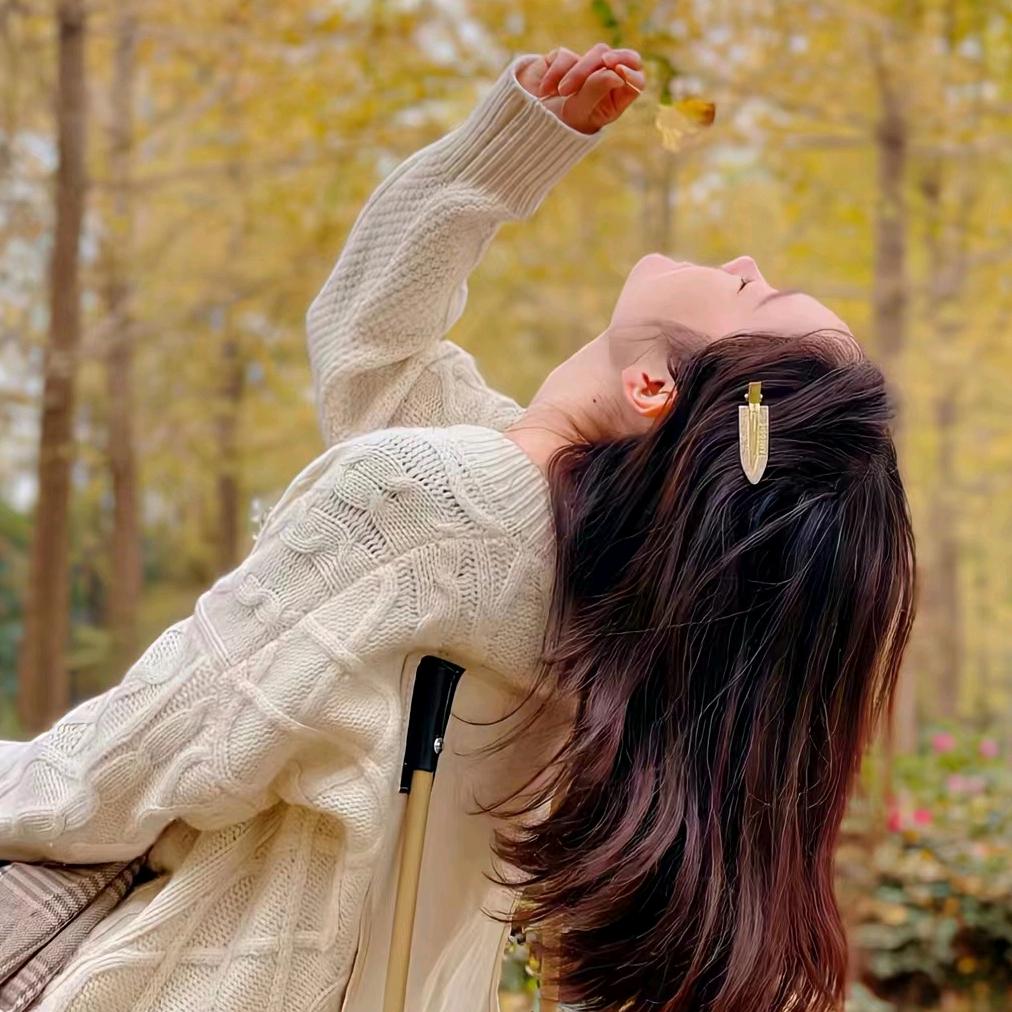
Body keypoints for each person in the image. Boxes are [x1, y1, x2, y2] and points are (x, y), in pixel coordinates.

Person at [0, 39, 916, 1012]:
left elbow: (140, 757)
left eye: (751, 293)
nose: (743, 260)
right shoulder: (581, 578)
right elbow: (372, 361)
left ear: (653, 386)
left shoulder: (431, 506)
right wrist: (506, 149)